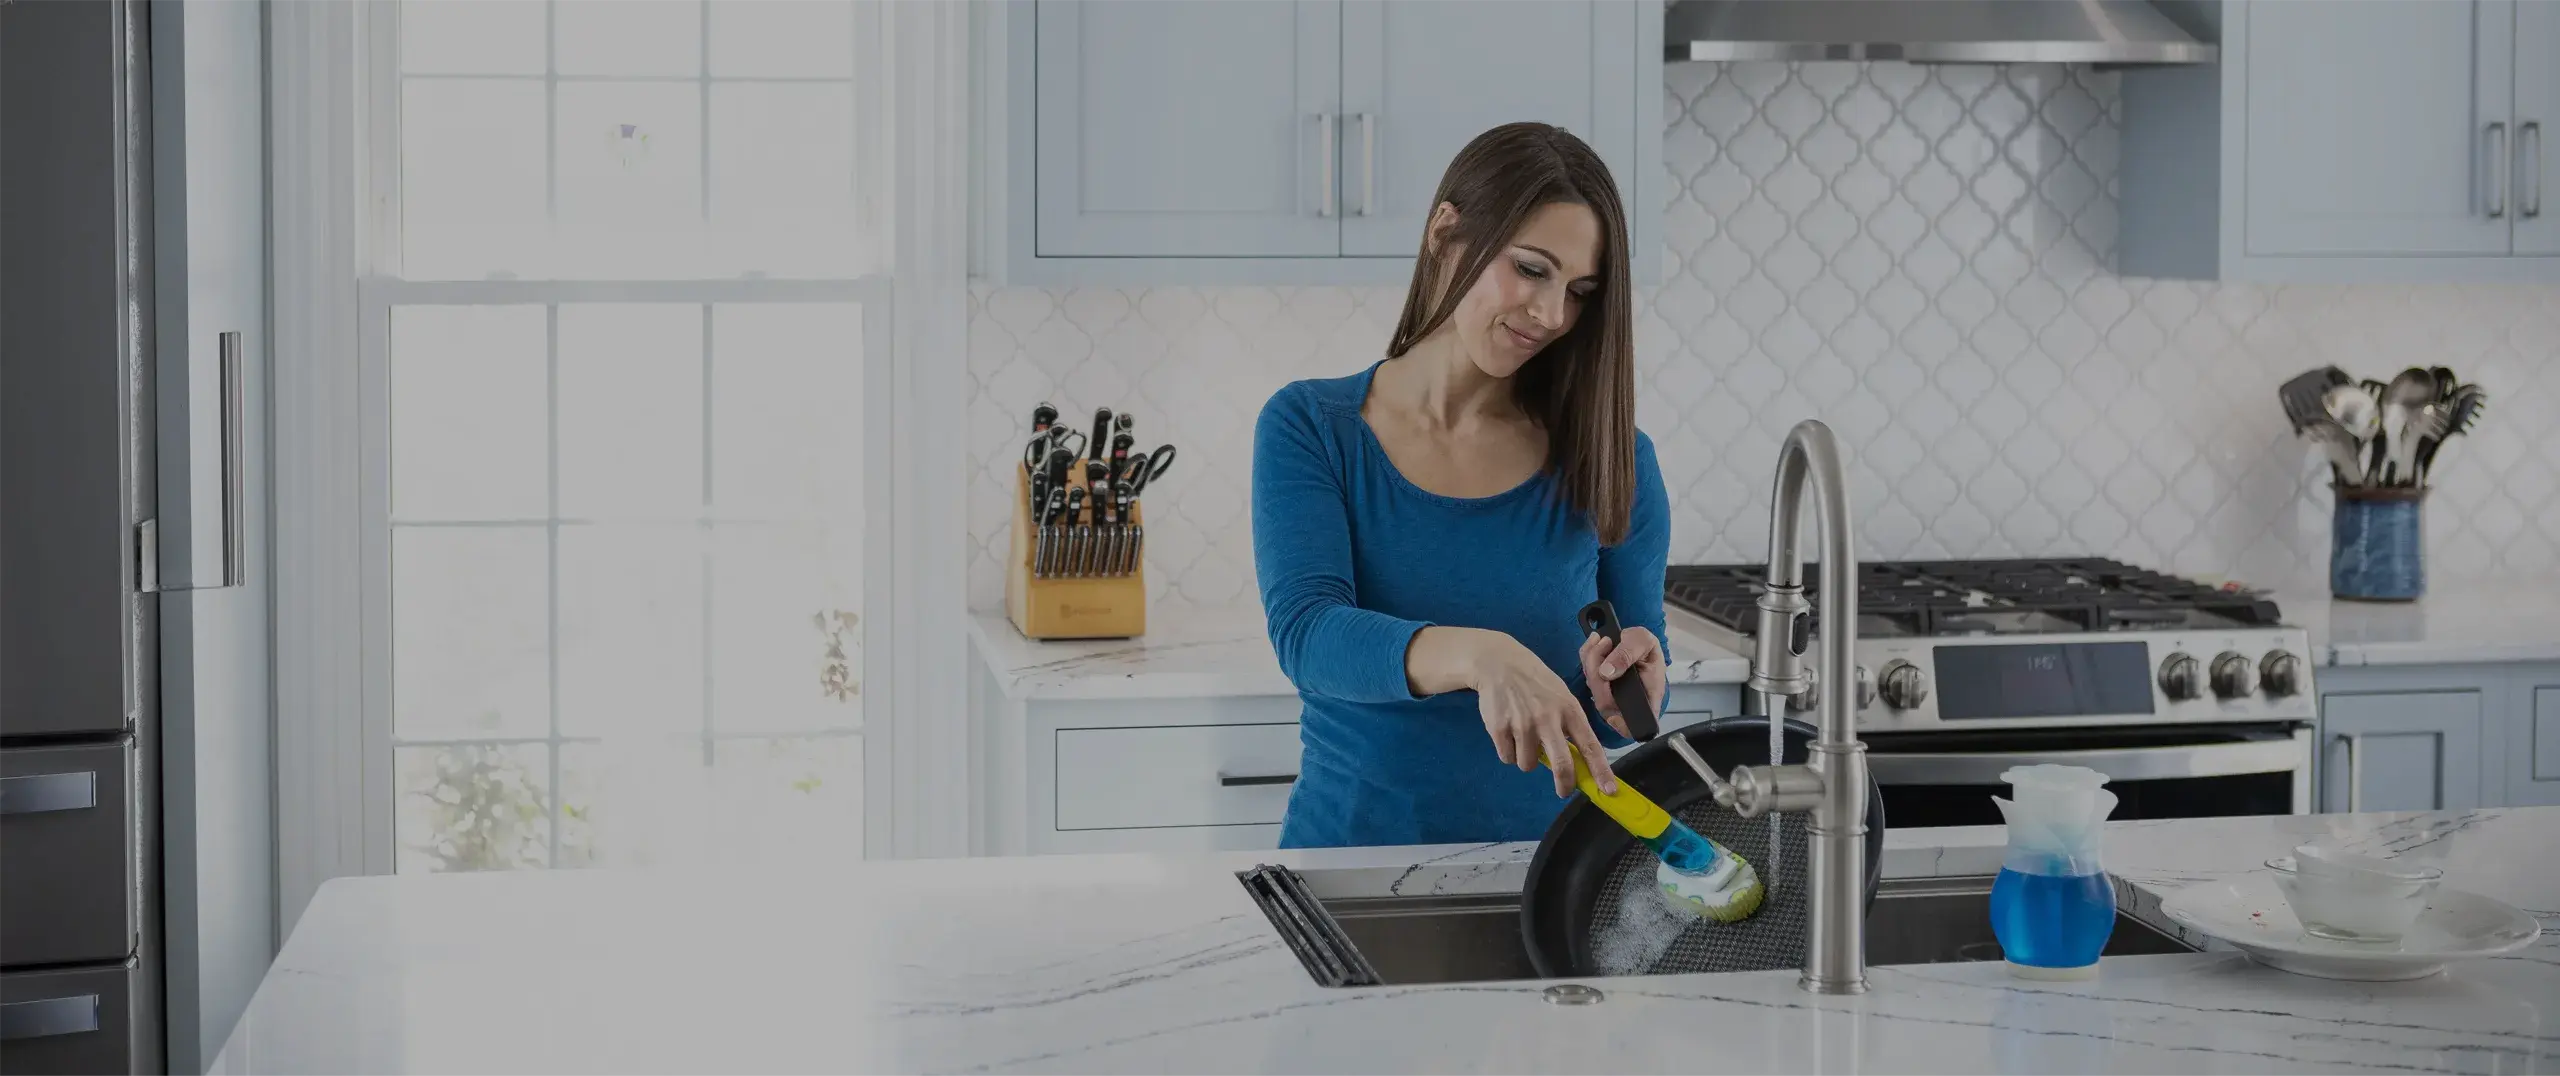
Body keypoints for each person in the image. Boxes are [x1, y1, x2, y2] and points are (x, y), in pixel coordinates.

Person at [1252, 122, 1671, 849]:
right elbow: (1309, 632)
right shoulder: (1313, 427)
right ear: (1445, 233)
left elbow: (1631, 718)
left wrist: (1629, 683)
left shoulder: (1612, 458)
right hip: (1350, 871)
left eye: (1579, 291)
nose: (1551, 314)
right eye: (1532, 269)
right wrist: (1482, 657)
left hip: (1549, 879)